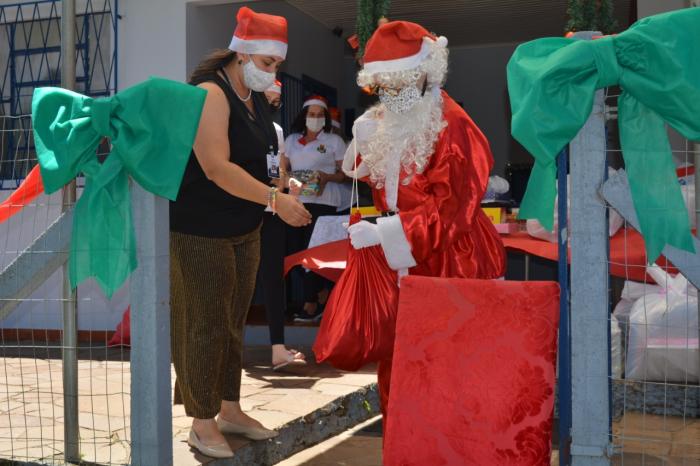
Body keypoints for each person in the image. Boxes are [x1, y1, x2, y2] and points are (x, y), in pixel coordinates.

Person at [342, 20, 506, 424]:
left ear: (423, 75)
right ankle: (404, 439)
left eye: (398, 86)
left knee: (452, 362)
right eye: (383, 88)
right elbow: (392, 185)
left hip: (455, 258)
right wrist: (362, 149)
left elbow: (453, 208)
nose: (391, 97)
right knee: (400, 358)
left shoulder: (453, 124)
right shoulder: (390, 116)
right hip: (406, 255)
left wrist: (385, 232)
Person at [169, 6, 311, 459]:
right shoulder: (212, 93)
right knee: (206, 325)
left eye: (277, 66)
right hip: (200, 229)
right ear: (242, 54)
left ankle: (230, 408)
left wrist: (283, 188)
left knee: (231, 323)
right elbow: (214, 168)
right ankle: (201, 421)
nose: (272, 74)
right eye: (267, 64)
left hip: (243, 229)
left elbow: (256, 166)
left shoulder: (253, 104)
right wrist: (275, 202)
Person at [284, 96, 349, 322]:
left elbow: (344, 175)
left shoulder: (333, 141)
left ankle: (310, 304)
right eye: (311, 114)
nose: (315, 118)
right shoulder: (291, 140)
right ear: (303, 117)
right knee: (296, 251)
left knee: (315, 252)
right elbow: (281, 172)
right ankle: (319, 295)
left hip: (324, 203)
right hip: (296, 201)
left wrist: (326, 177)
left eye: (319, 114)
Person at [260, 80, 307, 370]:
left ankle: (278, 348)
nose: (272, 105)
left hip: (271, 212)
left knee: (273, 280)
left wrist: (288, 186)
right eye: (268, 98)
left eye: (277, 101)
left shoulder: (277, 131)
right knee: (235, 283)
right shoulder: (234, 124)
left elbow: (277, 170)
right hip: (241, 212)